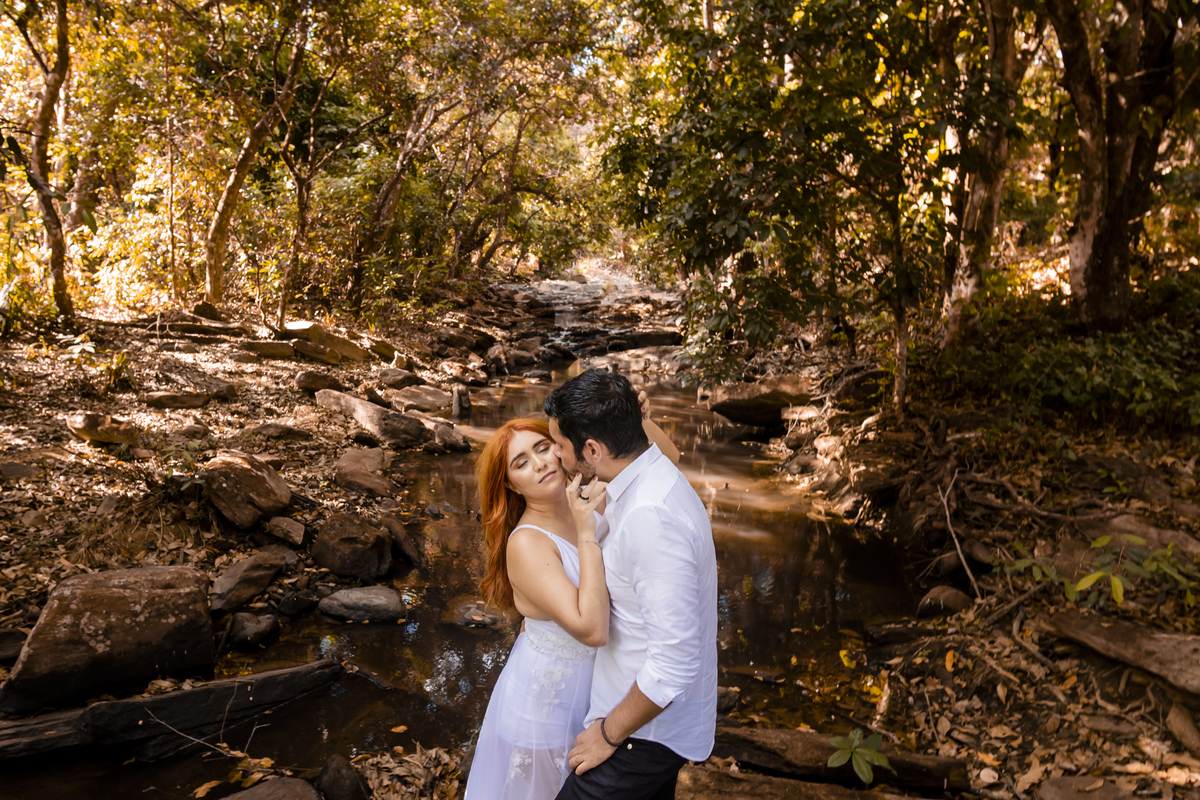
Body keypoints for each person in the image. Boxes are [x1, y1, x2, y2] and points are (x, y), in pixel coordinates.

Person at [465, 397, 679, 800]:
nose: (540, 463)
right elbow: (592, 629)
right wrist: (585, 533)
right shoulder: (527, 543)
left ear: (562, 448)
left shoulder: (588, 493)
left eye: (543, 448)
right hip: (547, 705)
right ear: (510, 484)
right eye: (521, 462)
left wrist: (637, 422)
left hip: (603, 690)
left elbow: (666, 463)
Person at [544, 369, 717, 800]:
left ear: (593, 449)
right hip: (639, 723)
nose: (556, 457)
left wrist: (608, 733)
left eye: (560, 446)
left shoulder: (649, 516)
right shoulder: (648, 474)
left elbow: (674, 664)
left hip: (642, 734)